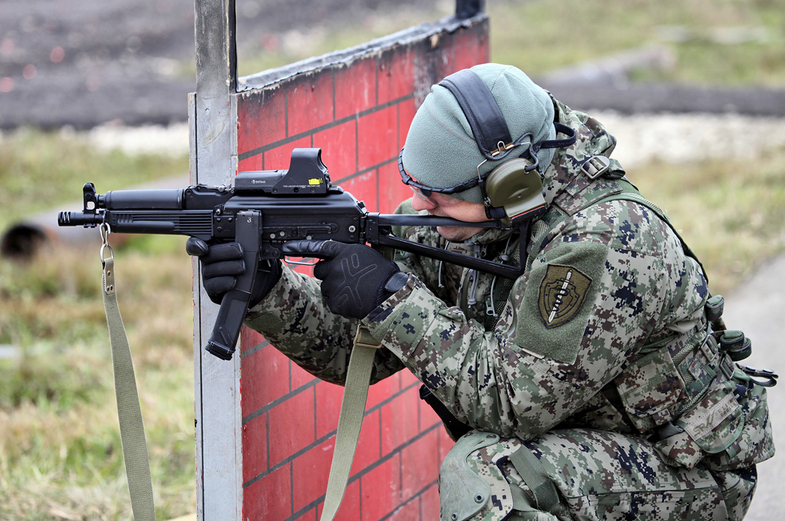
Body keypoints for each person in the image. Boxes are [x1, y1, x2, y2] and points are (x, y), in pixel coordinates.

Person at [189, 64, 775, 520]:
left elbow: (513, 402)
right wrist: (270, 291)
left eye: (439, 197)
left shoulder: (603, 242)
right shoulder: (471, 221)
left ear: (511, 185)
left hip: (684, 472)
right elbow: (351, 352)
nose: (420, 208)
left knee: (493, 473)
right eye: (417, 187)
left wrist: (393, 299)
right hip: (589, 442)